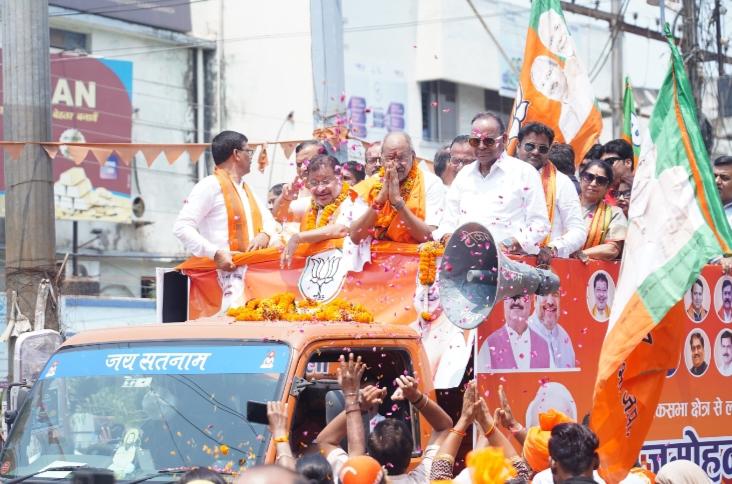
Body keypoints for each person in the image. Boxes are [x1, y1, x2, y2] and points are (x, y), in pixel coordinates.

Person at [436, 112, 550, 255]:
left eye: (489, 141)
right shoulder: (464, 175)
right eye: (475, 141)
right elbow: (448, 220)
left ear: (504, 139)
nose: (481, 146)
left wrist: (507, 244)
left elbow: (540, 225)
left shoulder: (524, 173)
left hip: (509, 264)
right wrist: (448, 237)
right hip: (464, 261)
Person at [173, 130, 277, 272]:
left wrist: (265, 234)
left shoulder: (248, 189)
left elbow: (270, 221)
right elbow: (182, 227)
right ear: (236, 154)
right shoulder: (209, 185)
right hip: (220, 274)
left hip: (251, 273)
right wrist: (215, 253)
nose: (251, 157)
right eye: (249, 151)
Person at [350, 131, 446, 244]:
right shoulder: (370, 185)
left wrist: (398, 203)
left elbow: (429, 236)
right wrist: (380, 200)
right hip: (377, 260)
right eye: (390, 158)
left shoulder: (430, 182)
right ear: (381, 159)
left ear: (413, 156)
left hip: (415, 260)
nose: (395, 164)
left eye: (401, 158)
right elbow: (356, 237)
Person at [515, 123, 586, 264]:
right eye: (530, 146)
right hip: (505, 260)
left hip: (544, 267)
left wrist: (553, 248)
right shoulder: (503, 178)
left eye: (542, 149)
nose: (535, 152)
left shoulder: (562, 183)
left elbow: (578, 230)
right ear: (518, 146)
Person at [477, 295, 551, 370]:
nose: (516, 301)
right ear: (504, 303)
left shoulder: (544, 345)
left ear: (530, 304)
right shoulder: (489, 344)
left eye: (522, 295)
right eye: (512, 295)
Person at [574, 160, 628, 262]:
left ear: (608, 187)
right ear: (580, 179)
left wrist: (580, 254)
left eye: (601, 180)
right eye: (589, 177)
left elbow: (613, 249)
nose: (593, 183)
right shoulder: (564, 205)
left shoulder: (614, 213)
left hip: (589, 273)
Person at [272, 140, 327, 223]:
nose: (303, 168)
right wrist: (285, 198)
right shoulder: (292, 190)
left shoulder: (335, 189)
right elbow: (277, 216)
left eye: (307, 162)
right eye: (299, 164)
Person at [528, 292, 576, 369]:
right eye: (545, 294)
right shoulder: (522, 333)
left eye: (555, 295)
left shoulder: (564, 337)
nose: (550, 302)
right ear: (536, 299)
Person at [600, 139, 634, 206]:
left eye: (609, 162)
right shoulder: (602, 194)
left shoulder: (645, 188)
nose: (605, 167)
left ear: (628, 163)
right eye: (602, 164)